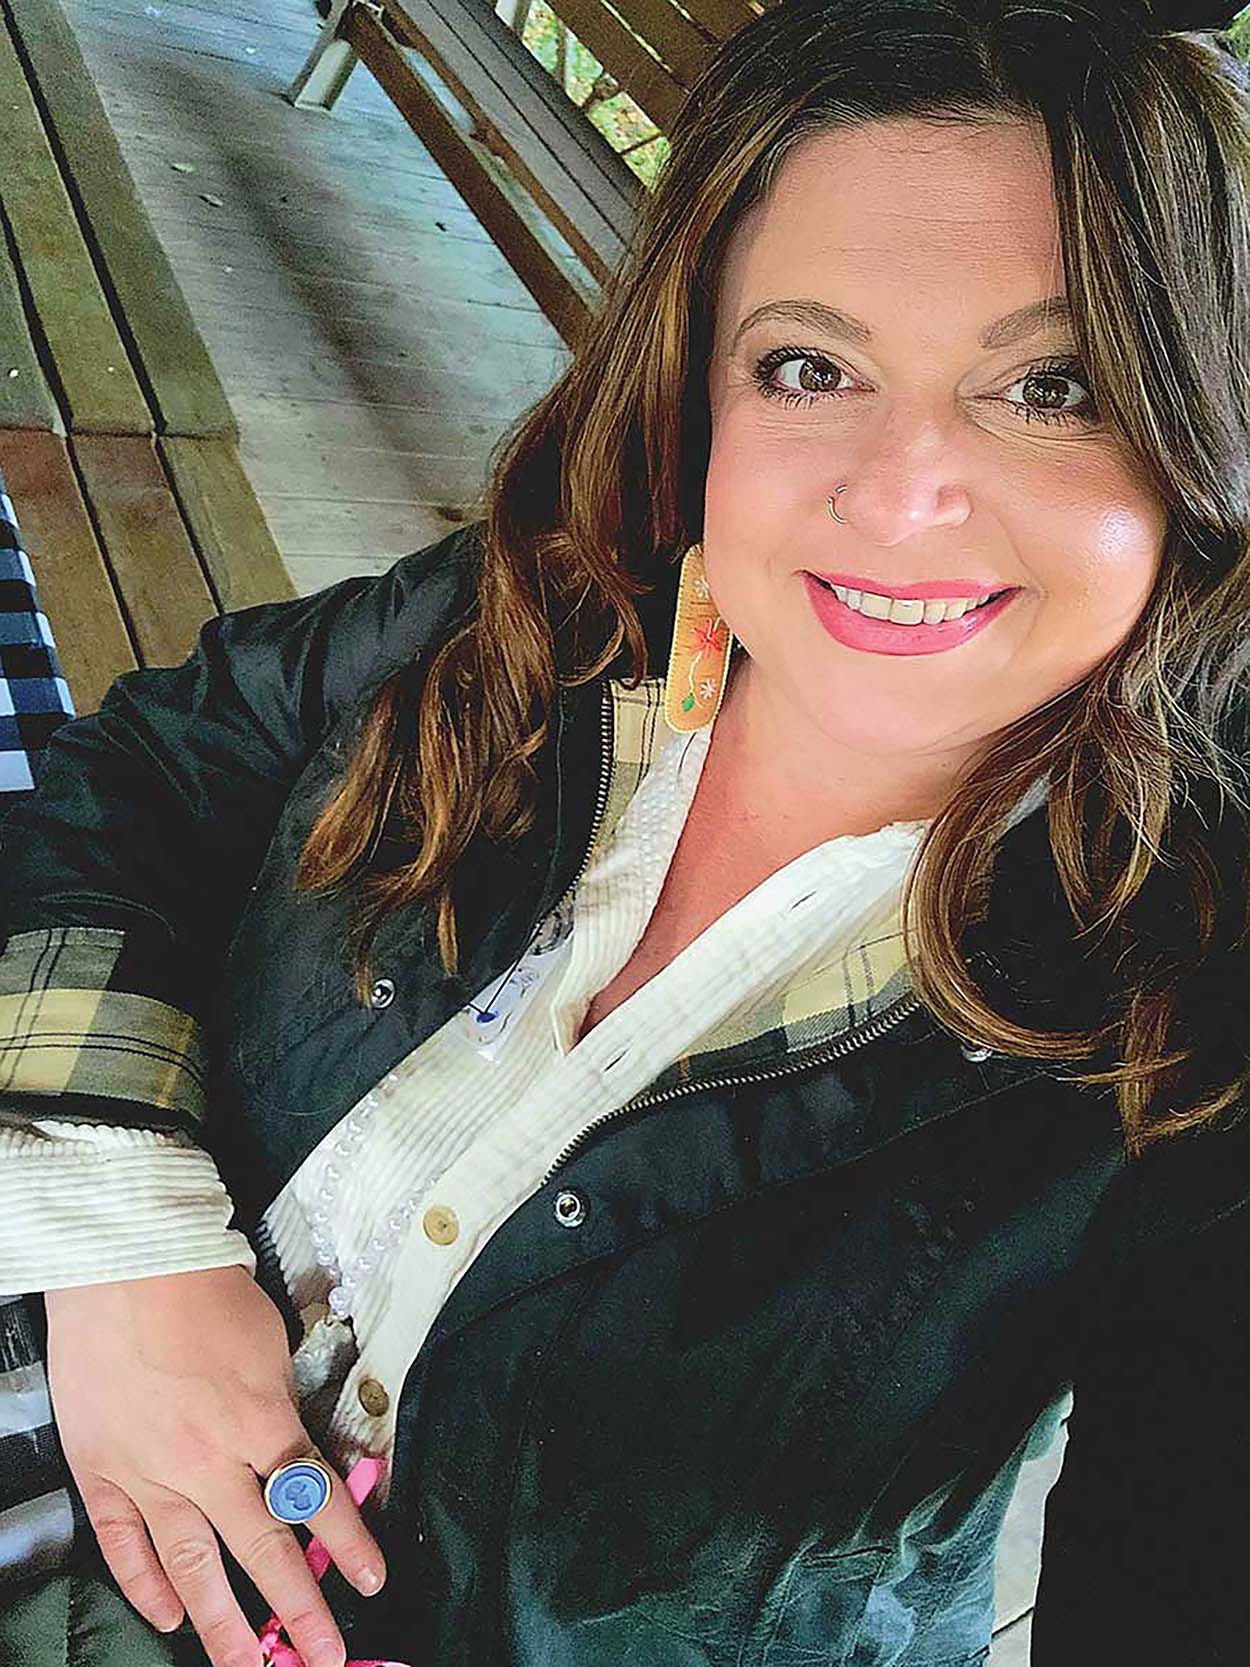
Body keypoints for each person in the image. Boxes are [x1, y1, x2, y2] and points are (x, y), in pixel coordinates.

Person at [2, 0, 1249, 1661]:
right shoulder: (556, 607)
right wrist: (123, 1246)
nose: (896, 495)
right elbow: (150, 763)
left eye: (1052, 386)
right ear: (701, 377)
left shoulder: (1195, 1002)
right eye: (809, 367)